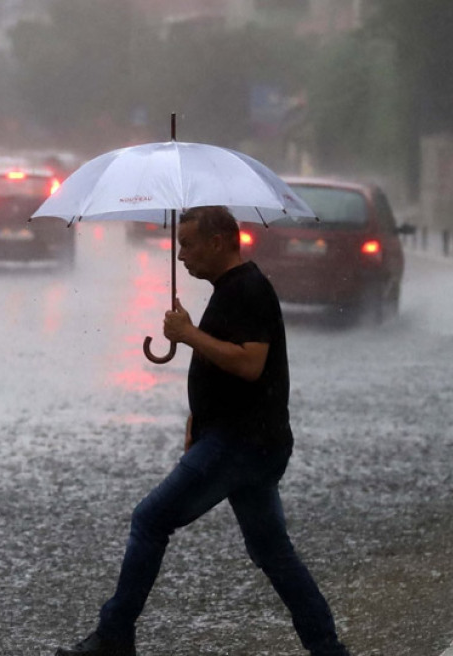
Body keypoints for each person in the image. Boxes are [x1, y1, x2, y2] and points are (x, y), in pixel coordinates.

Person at [56, 206, 349, 656]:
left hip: (240, 444)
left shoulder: (247, 288)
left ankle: (114, 636)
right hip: (249, 440)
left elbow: (250, 364)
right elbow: (226, 363)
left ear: (217, 242)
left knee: (150, 520)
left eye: (187, 244)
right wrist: (199, 416)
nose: (180, 256)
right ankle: (326, 648)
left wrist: (189, 334)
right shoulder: (230, 288)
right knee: (272, 551)